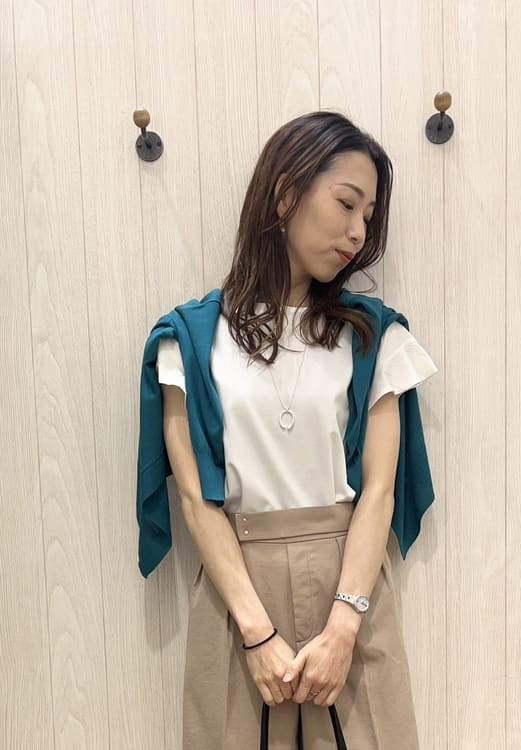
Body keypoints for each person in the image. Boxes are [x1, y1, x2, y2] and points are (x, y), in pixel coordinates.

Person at [136, 110, 438, 749]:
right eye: (346, 204)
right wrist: (258, 634)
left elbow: (379, 493)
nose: (358, 232)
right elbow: (194, 498)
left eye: (369, 216)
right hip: (238, 594)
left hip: (350, 592)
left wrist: (343, 628)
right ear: (285, 193)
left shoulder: (375, 336)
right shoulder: (188, 340)